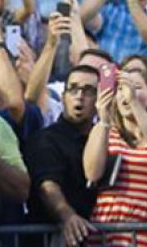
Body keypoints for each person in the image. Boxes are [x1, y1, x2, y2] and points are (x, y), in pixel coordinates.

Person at [84, 67, 147, 246]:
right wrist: (104, 121)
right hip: (108, 232)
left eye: (135, 87)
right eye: (120, 89)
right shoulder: (106, 131)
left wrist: (135, 103)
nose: (126, 93)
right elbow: (92, 174)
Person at [23, 65, 100, 247]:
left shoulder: (106, 139)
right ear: (64, 96)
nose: (79, 96)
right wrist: (67, 215)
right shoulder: (45, 139)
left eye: (88, 91)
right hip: (52, 238)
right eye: (73, 89)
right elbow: (47, 185)